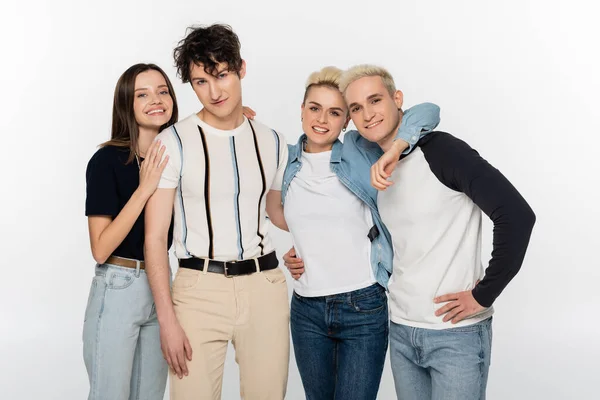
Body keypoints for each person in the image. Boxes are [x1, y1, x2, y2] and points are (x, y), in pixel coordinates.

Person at [340, 64, 536, 400]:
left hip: (454, 336)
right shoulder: (376, 166)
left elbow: (517, 216)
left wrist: (483, 294)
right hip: (401, 330)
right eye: (356, 108)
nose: (368, 114)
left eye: (375, 100)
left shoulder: (443, 151)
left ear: (397, 99)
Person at [144, 24, 289, 400]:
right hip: (197, 290)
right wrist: (167, 320)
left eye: (222, 75)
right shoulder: (172, 142)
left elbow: (276, 212)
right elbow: (155, 238)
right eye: (200, 82)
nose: (214, 91)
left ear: (241, 67)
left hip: (265, 286)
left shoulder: (272, 141)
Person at [278, 66, 439, 400]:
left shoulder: (358, 149)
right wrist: (296, 249)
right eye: (314, 108)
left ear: (346, 121)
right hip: (306, 309)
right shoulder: (284, 159)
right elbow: (281, 210)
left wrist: (394, 150)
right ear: (301, 110)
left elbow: (428, 112)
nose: (322, 119)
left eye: (335, 111)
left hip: (362, 306)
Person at [82, 63, 177, 400]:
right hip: (119, 286)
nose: (156, 99)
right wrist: (144, 188)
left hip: (161, 286)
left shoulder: (175, 157)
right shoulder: (106, 161)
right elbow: (100, 248)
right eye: (143, 94)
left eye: (163, 91)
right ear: (127, 103)